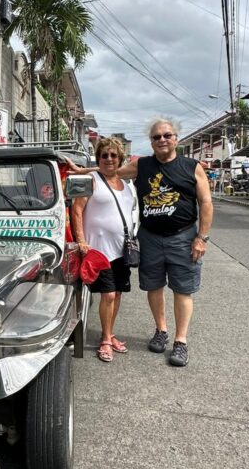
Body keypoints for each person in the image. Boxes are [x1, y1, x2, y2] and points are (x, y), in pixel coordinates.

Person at [69, 119, 213, 367]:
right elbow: (109, 171)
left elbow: (206, 203)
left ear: (176, 138)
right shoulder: (143, 165)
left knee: (182, 289)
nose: (162, 140)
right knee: (153, 286)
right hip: (150, 237)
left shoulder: (192, 167)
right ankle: (161, 330)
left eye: (167, 135)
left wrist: (201, 237)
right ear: (151, 142)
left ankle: (180, 341)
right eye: (157, 137)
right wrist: (82, 171)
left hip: (183, 237)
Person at [70, 137, 138, 363]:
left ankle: (108, 333)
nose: (109, 159)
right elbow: (77, 210)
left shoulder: (125, 182)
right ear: (98, 158)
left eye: (113, 155)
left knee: (117, 293)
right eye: (104, 155)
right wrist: (81, 240)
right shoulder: (91, 179)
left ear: (120, 159)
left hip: (122, 248)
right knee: (108, 294)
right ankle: (106, 340)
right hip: (99, 250)